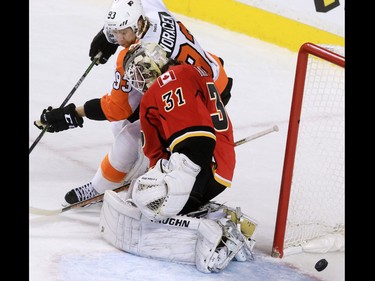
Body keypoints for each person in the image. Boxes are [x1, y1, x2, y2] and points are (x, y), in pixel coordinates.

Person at [34, 0, 234, 206]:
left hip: (186, 95)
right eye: (114, 33)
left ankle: (98, 188)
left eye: (123, 32)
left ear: (138, 25)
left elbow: (118, 108)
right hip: (215, 79)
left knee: (128, 132)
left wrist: (74, 114)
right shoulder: (152, 11)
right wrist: (107, 34)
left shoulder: (138, 56)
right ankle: (147, 162)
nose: (118, 39)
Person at [98, 41, 257, 273]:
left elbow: (196, 142)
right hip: (218, 165)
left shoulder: (166, 83)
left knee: (150, 201)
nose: (138, 80)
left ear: (153, 64)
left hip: (205, 164)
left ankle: (218, 235)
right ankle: (221, 221)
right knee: (149, 193)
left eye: (140, 72)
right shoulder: (189, 71)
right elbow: (159, 155)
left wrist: (174, 187)